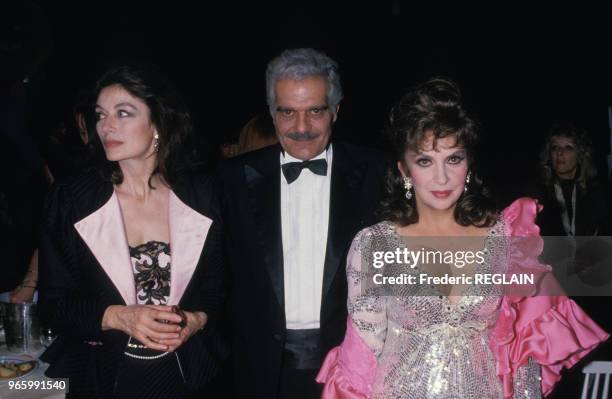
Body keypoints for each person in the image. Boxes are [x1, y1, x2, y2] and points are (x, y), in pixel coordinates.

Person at [316, 78, 609, 398]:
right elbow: (361, 358)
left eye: (453, 158)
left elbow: (524, 354)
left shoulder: (508, 239)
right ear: (405, 171)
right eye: (425, 161)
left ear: (468, 165)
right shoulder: (375, 245)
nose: (441, 177)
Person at [38, 64, 227, 398]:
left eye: (123, 113)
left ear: (158, 123)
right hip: (104, 376)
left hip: (189, 375)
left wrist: (196, 319)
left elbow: (220, 284)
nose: (105, 126)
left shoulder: (205, 195)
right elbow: (54, 305)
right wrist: (120, 317)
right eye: (100, 115)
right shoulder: (72, 200)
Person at [216, 48, 388, 399]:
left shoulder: (378, 173)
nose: (301, 128)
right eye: (287, 112)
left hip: (353, 368)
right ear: (272, 113)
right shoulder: (230, 180)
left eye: (315, 111)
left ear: (335, 111)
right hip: (258, 372)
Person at [536, 123, 610, 236]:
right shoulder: (540, 192)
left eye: (568, 148)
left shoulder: (596, 192)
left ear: (580, 155)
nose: (559, 153)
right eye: (555, 147)